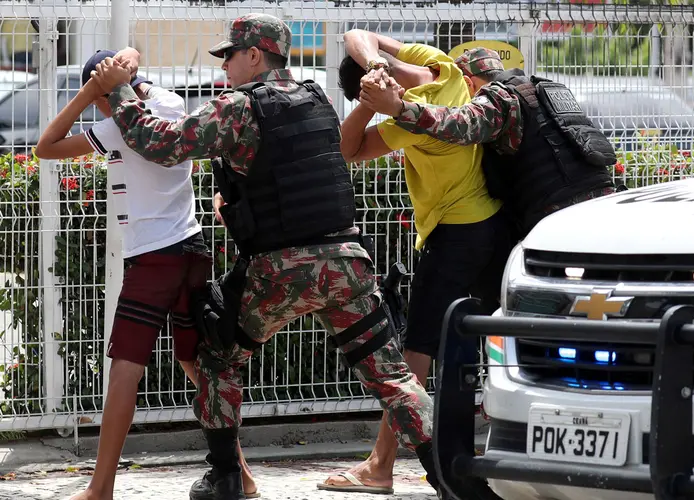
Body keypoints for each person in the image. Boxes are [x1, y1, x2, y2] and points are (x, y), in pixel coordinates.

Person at [89, 13, 450, 500]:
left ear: (254, 55)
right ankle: (451, 480)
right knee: (393, 377)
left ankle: (227, 477)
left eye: (230, 56)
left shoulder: (239, 107)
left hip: (279, 270)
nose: (225, 67)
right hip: (346, 261)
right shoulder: (318, 97)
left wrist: (118, 92)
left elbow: (162, 143)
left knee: (216, 360)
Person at [35, 48, 258, 500]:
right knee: (196, 364)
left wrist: (92, 93)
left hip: (154, 258)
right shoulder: (169, 106)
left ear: (105, 91)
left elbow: (45, 147)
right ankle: (243, 475)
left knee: (123, 370)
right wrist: (119, 75)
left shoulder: (117, 124)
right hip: (191, 249)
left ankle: (100, 488)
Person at [319, 31, 520, 494]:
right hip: (491, 225)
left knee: (417, 352)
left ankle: (380, 464)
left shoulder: (411, 120)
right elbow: (358, 34)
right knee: (476, 339)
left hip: (455, 233)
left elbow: (347, 148)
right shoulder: (444, 68)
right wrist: (377, 64)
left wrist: (371, 102)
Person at [359, 47, 617, 238]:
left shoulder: (499, 98)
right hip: (604, 202)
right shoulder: (547, 89)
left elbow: (459, 123)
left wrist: (399, 108)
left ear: (468, 82)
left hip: (561, 215)